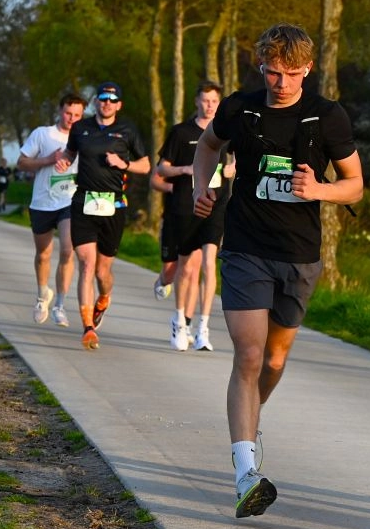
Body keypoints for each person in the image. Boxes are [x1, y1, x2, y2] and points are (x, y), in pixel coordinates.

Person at [192, 23, 363, 519]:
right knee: (248, 356)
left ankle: (250, 422)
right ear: (260, 68)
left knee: (273, 361)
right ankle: (246, 471)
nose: (280, 83)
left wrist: (320, 191)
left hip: (299, 254)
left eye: (291, 74)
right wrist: (202, 189)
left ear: (307, 70)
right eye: (272, 72)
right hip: (245, 246)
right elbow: (208, 147)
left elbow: (354, 185)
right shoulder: (239, 109)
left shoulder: (327, 117)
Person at [55, 82, 151, 350]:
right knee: (86, 264)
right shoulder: (80, 128)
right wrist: (64, 160)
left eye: (112, 99)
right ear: (96, 101)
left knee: (102, 271)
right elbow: (69, 152)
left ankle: (104, 297)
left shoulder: (128, 130)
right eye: (102, 98)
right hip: (84, 202)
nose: (107, 102)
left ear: (118, 104)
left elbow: (145, 165)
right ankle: (87, 327)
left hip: (114, 206)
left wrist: (125, 165)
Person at [154, 81, 230, 351]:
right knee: (185, 268)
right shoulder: (181, 132)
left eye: (214, 101)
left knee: (209, 263)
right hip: (187, 206)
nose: (210, 105)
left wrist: (232, 171)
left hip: (217, 205)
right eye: (205, 100)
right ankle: (179, 321)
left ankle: (203, 327)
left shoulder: (227, 133)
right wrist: (185, 170)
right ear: (197, 101)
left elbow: (236, 164)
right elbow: (161, 169)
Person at [16, 94, 86, 326]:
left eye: (77, 115)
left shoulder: (85, 137)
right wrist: (48, 159)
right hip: (43, 202)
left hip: (69, 201)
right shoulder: (43, 134)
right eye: (68, 113)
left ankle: (60, 305)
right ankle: (42, 296)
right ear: (60, 110)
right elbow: (22, 162)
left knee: (68, 250)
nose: (72, 119)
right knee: (44, 254)